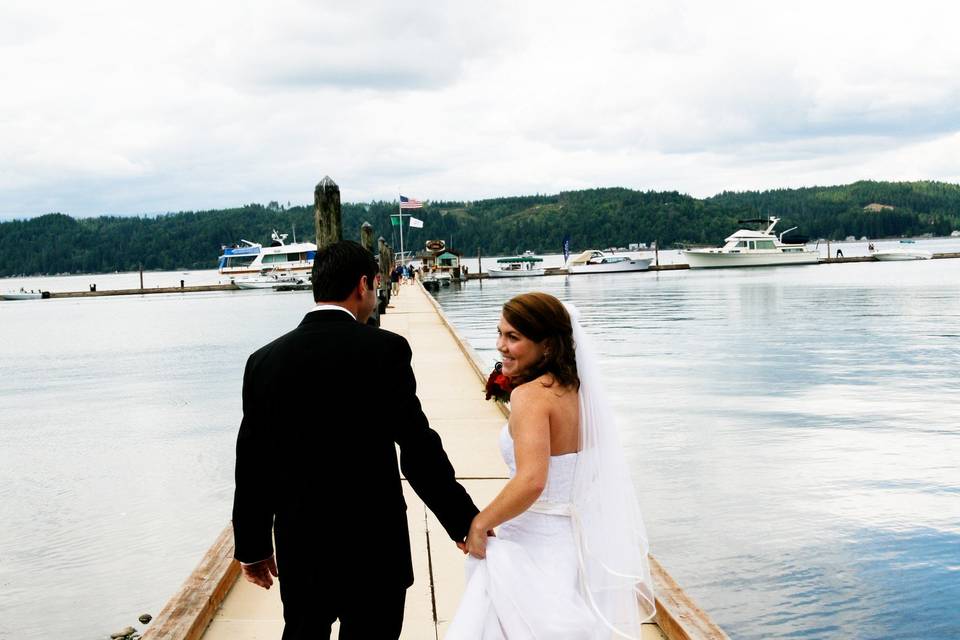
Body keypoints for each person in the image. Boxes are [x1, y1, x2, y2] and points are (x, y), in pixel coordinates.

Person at [232, 240, 479, 640]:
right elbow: (417, 449)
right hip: (374, 548)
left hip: (302, 546)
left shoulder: (263, 361)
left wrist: (253, 546)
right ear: (363, 285)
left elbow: (253, 463)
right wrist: (462, 520)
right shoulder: (384, 351)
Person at [446, 292, 655, 639]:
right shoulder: (577, 392)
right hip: (575, 544)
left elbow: (532, 480)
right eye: (499, 333)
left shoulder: (529, 396)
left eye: (513, 337)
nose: (501, 345)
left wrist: (480, 524)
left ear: (546, 346)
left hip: (533, 544)